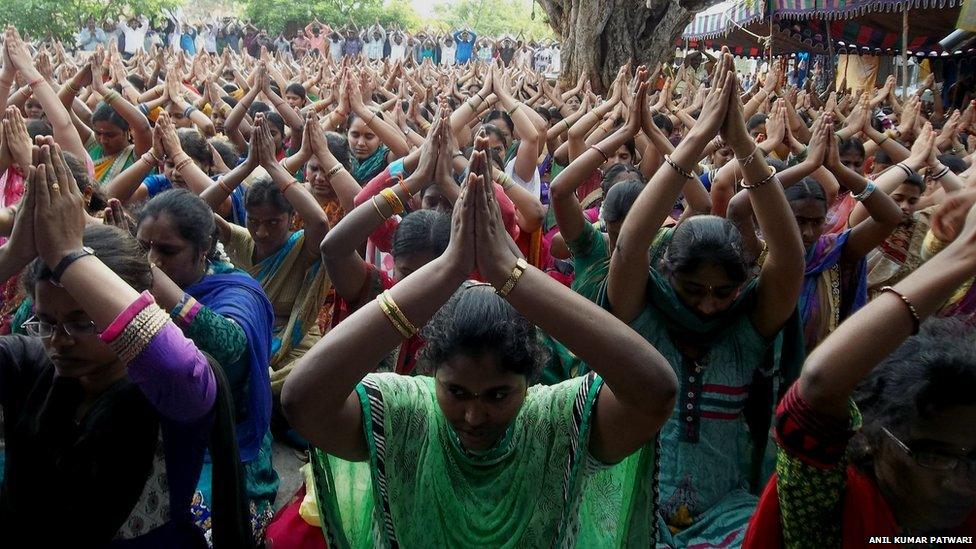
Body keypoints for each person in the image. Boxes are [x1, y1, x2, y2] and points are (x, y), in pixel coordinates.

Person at [280, 138, 679, 546]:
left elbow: (656, 391)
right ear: (430, 371)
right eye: (456, 392)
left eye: (497, 395)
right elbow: (302, 400)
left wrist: (511, 272)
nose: (474, 416)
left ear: (529, 381)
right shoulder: (406, 414)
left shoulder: (554, 422)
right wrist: (449, 268)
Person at [0, 141, 249, 547]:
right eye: (46, 322)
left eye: (83, 321)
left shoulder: (170, 392)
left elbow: (172, 362)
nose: (59, 341)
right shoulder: (33, 363)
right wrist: (14, 254)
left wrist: (68, 254)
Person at [606, 53, 806, 547]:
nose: (709, 305)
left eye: (724, 292)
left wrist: (742, 143)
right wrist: (694, 141)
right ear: (666, 275)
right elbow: (630, 245)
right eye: (692, 290)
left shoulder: (744, 332)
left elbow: (789, 259)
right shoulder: (643, 317)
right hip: (633, 509)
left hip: (726, 514)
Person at [744, 188, 976, 547]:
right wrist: (964, 254)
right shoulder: (828, 508)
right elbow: (820, 384)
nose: (960, 483)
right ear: (870, 439)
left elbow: (887, 215)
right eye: (933, 456)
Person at [132, 190, 278, 543]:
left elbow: (229, 346)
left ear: (203, 249)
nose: (153, 260)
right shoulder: (134, 286)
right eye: (143, 248)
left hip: (224, 447)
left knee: (193, 528)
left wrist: (162, 289)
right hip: (153, 432)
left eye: (167, 251)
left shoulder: (237, 290)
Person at [202, 115, 330, 395]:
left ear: (291, 218)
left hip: (295, 347)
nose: (261, 232)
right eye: (254, 221)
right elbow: (196, 209)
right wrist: (247, 165)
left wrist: (272, 165)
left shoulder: (302, 247)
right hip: (247, 338)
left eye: (273, 223)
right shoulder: (240, 239)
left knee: (301, 383)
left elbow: (320, 222)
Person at [60, 54, 151, 186]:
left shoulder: (137, 155)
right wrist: (78, 79)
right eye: (98, 133)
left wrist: (101, 89)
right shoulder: (92, 144)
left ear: (128, 131)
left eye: (110, 135)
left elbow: (143, 127)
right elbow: (61, 109)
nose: (102, 140)